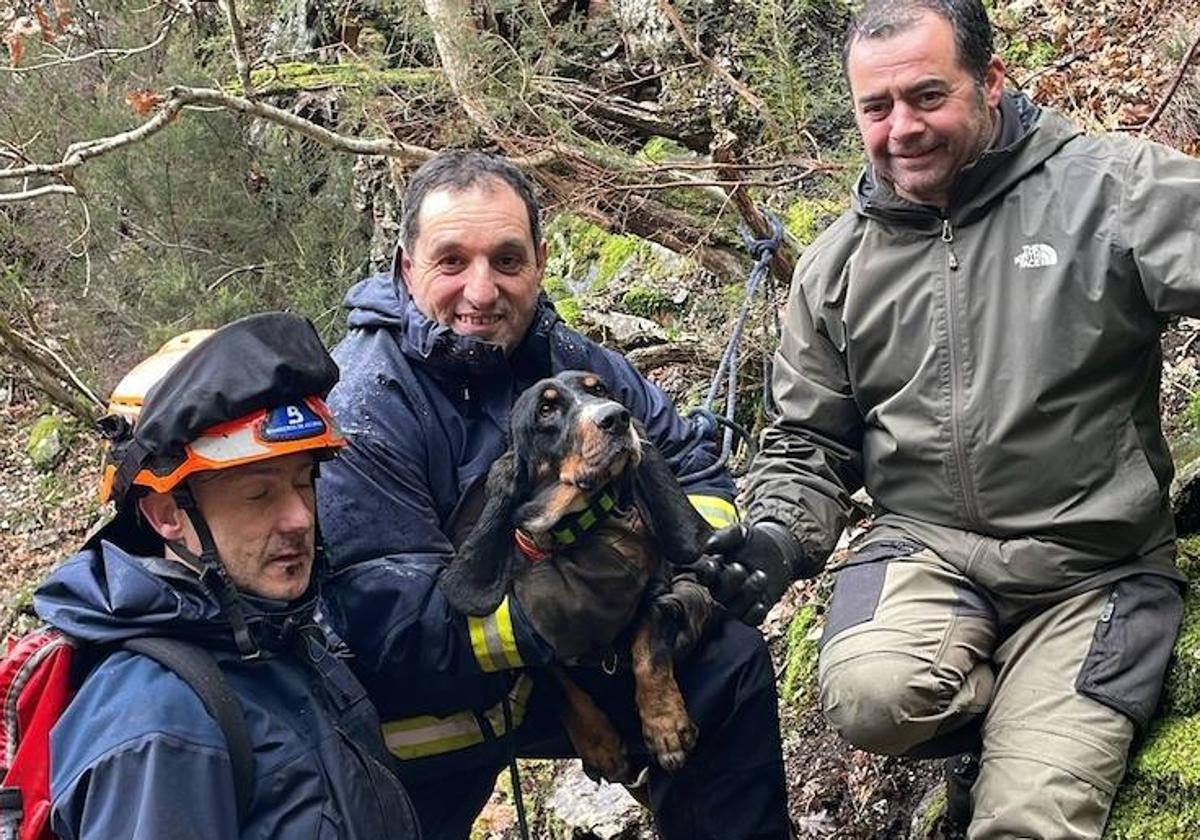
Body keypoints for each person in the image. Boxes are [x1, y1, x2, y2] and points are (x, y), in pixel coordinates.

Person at [698, 0, 1200, 837]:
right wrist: (777, 536)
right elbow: (807, 439)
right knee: (869, 698)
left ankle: (1037, 726)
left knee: (1030, 824)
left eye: (928, 96)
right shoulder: (837, 266)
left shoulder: (1109, 190)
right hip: (925, 552)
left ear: (991, 83)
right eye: (877, 108)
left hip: (1092, 566)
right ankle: (1003, 714)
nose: (903, 128)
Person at [317, 150, 792, 840]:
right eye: (452, 261)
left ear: (540, 261)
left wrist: (700, 566)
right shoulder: (365, 403)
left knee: (730, 663)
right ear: (406, 265)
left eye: (507, 261)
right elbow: (392, 630)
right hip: (425, 714)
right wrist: (556, 613)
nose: (481, 291)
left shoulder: (578, 365)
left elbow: (690, 464)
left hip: (585, 659)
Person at [35, 313, 422, 839]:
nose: (299, 518)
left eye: (303, 481)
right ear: (167, 515)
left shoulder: (278, 637)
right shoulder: (159, 728)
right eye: (258, 494)